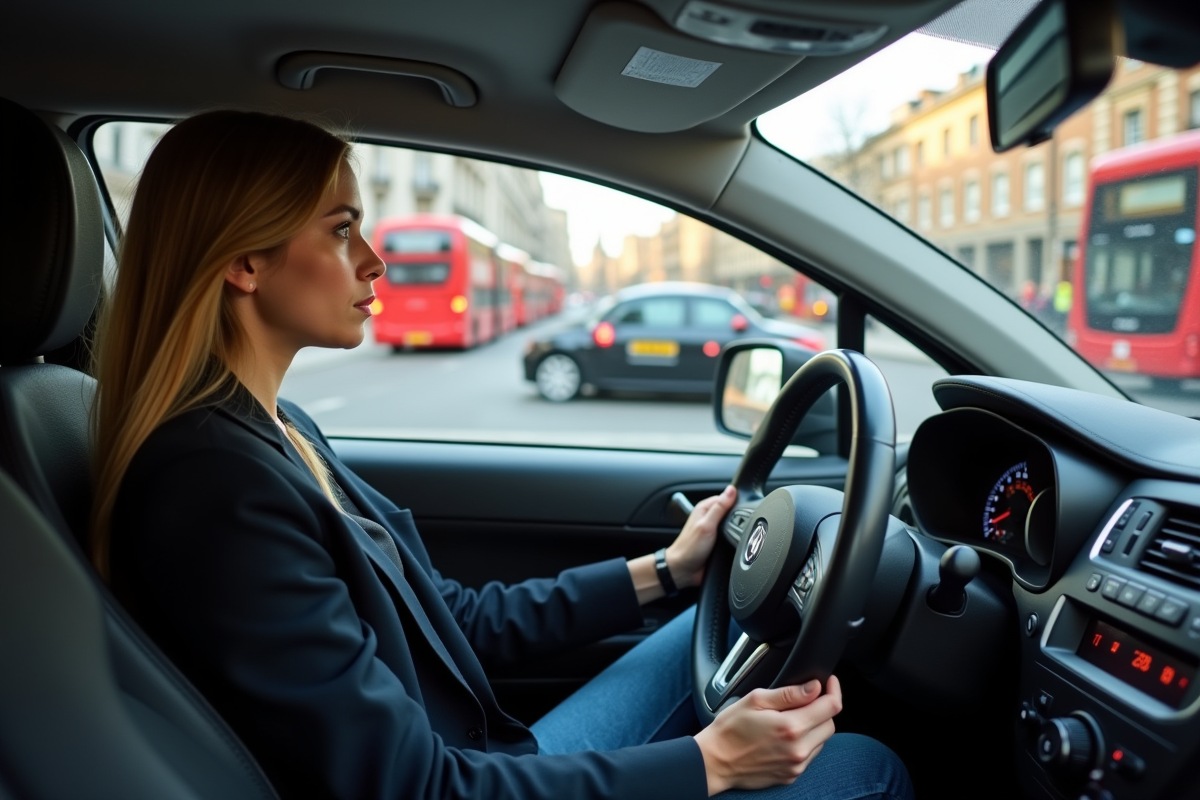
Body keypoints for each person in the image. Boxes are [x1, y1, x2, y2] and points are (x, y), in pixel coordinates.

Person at [90, 110, 913, 800]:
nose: (375, 260)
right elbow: (414, 788)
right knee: (864, 767)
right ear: (243, 261)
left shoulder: (276, 428)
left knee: (712, 621)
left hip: (484, 761)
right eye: (342, 230)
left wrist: (668, 570)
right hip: (467, 780)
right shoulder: (214, 487)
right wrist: (712, 763)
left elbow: (451, 622)